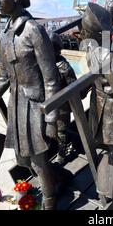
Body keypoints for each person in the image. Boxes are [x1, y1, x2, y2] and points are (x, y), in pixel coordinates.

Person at [0, 0, 69, 210]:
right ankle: (57, 176)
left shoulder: (33, 31)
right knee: (22, 158)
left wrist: (51, 117)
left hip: (36, 104)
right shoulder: (5, 34)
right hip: (18, 104)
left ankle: (49, 201)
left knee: (37, 159)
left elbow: (51, 79)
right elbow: (3, 77)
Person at [80, 2, 113, 151]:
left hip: (110, 107)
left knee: (111, 145)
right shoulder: (91, 49)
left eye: (85, 31)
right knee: (98, 139)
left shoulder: (108, 57)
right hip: (97, 100)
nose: (82, 34)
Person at [48, 32, 77, 165]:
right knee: (52, 129)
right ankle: (78, 139)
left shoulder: (63, 67)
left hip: (62, 106)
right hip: (48, 104)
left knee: (61, 131)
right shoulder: (44, 64)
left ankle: (61, 155)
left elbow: (74, 86)